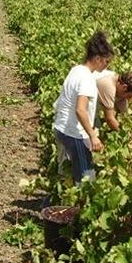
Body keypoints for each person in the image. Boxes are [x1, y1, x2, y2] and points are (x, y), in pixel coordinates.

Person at [53, 31, 114, 184]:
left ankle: (69, 201)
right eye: (107, 62)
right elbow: (80, 110)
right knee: (86, 178)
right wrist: (92, 135)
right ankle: (81, 205)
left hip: (62, 128)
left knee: (72, 173)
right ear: (98, 58)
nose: (108, 65)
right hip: (75, 133)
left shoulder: (77, 70)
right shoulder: (86, 78)